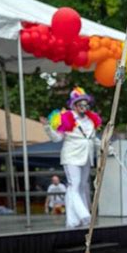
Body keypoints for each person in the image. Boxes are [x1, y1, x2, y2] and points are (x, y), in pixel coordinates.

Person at [40, 87, 102, 229]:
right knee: (75, 184)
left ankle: (73, 221)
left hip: (86, 157)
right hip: (71, 156)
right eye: (80, 103)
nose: (83, 106)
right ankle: (84, 214)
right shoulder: (66, 118)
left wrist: (107, 147)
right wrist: (48, 128)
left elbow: (93, 139)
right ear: (74, 105)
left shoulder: (90, 120)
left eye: (85, 103)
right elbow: (57, 138)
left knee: (82, 186)